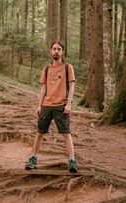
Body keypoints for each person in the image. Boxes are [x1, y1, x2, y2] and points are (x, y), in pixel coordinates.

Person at [25, 41, 78, 173]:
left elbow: (72, 86)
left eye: (59, 49)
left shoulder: (68, 67)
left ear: (62, 52)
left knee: (66, 133)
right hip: (46, 105)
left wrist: (69, 104)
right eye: (54, 49)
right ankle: (33, 158)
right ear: (50, 51)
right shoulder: (46, 69)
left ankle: (72, 161)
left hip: (61, 105)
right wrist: (39, 105)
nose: (56, 51)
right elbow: (43, 88)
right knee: (39, 133)